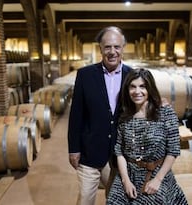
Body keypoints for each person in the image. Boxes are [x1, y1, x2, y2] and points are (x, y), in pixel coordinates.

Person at [68, 26, 132, 205]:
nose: (112, 52)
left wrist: (161, 103)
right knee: (85, 200)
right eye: (107, 47)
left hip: (120, 155)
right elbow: (76, 114)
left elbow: (143, 105)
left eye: (117, 47)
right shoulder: (85, 75)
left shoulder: (132, 75)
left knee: (116, 200)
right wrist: (74, 148)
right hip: (90, 152)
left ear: (123, 47)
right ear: (100, 49)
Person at [106, 68, 188, 204]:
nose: (137, 91)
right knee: (113, 202)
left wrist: (158, 180)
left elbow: (173, 150)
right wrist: (125, 181)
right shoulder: (125, 116)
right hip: (129, 172)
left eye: (142, 87)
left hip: (156, 172)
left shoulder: (165, 113)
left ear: (150, 89)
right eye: (132, 87)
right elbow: (119, 151)